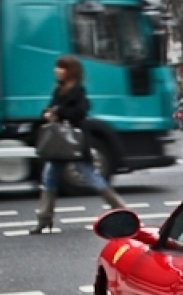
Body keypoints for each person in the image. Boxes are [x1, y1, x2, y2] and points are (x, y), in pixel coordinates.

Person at [33, 55, 125, 235]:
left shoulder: (78, 91)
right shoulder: (58, 90)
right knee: (49, 178)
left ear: (70, 71)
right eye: (58, 67)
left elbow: (80, 113)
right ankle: (44, 219)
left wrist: (58, 112)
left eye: (61, 68)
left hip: (74, 142)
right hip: (59, 143)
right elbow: (50, 109)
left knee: (90, 176)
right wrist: (47, 113)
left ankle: (122, 210)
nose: (57, 70)